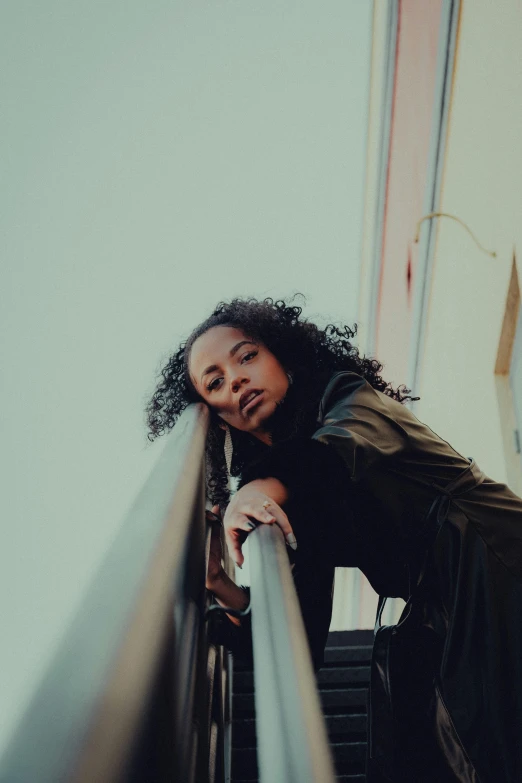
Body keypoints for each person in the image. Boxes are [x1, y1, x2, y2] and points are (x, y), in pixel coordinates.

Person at [146, 297, 522, 783]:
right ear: (217, 418)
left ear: (282, 355)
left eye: (247, 356)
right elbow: (302, 634)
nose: (236, 379)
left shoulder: (348, 397)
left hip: (494, 554)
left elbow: (336, 453)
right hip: (444, 604)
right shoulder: (297, 498)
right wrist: (220, 584)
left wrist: (258, 488)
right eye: (215, 381)